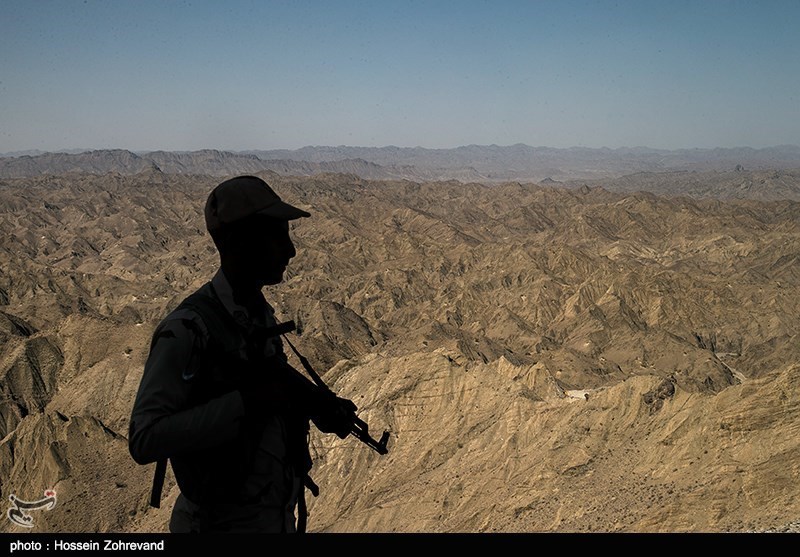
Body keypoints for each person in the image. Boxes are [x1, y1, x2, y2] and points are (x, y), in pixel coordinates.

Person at [128, 175, 357, 533]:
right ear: (241, 241)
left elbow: (270, 378)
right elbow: (144, 438)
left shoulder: (255, 314)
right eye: (278, 236)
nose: (290, 251)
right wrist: (246, 403)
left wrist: (315, 403)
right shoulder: (189, 328)